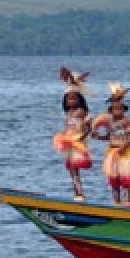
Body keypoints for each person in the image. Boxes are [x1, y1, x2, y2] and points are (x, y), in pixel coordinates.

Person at [91, 83, 130, 207]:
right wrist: (99, 137)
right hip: (112, 152)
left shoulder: (126, 121)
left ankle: (127, 201)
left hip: (124, 152)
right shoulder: (109, 122)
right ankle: (116, 202)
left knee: (125, 177)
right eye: (115, 109)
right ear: (110, 110)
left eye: (120, 109)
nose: (117, 111)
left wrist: (125, 145)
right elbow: (109, 137)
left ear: (124, 109)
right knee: (114, 178)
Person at [54, 67, 93, 201]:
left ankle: (80, 192)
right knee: (71, 169)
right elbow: (68, 127)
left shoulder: (81, 112)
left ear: (79, 99)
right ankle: (76, 191)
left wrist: (83, 137)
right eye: (68, 99)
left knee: (76, 169)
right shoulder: (68, 113)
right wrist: (64, 135)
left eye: (73, 99)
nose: (71, 101)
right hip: (69, 142)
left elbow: (88, 128)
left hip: (77, 141)